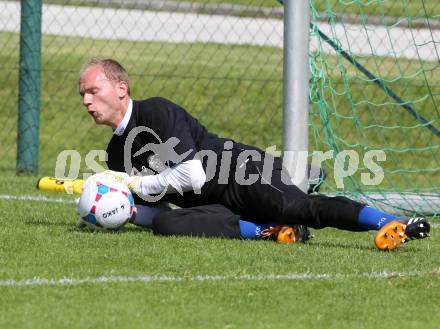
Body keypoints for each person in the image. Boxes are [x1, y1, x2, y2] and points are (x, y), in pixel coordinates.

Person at [78, 58, 430, 250]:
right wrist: (110, 208)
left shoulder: (155, 112)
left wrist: (139, 185)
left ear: (121, 88)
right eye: (83, 95)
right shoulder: (115, 153)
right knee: (166, 223)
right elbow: (152, 209)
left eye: (93, 90)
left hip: (241, 172)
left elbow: (194, 175)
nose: (86, 101)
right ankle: (269, 230)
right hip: (211, 204)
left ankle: (388, 222)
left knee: (297, 207)